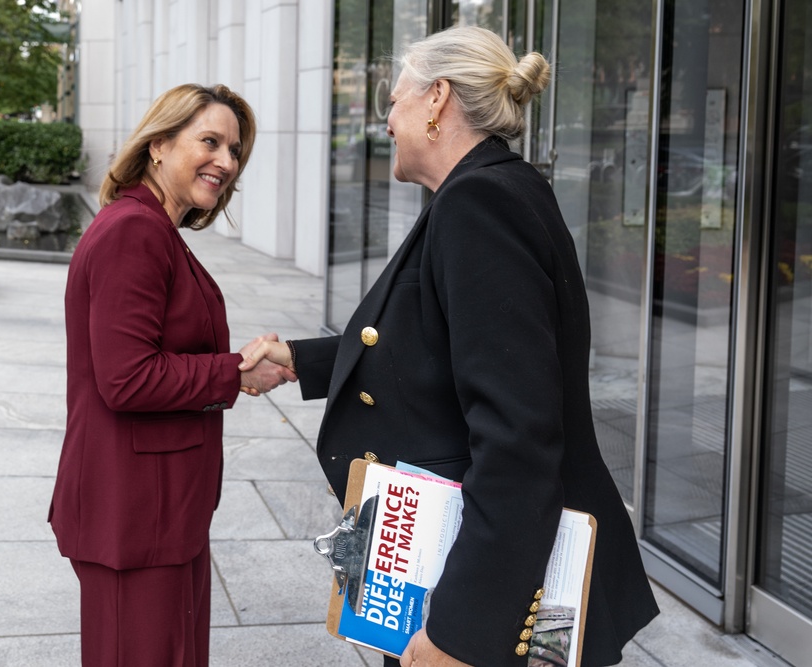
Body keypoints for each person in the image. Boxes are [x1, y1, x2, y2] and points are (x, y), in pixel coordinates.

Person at [239, 26, 659, 667]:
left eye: (396, 98)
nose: (387, 117)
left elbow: (518, 435)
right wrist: (302, 361)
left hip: (493, 590)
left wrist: (460, 634)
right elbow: (430, 340)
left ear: (437, 100)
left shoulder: (479, 203)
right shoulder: (486, 189)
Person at [48, 83, 296, 667]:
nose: (226, 162)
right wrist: (234, 373)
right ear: (158, 145)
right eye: (209, 141)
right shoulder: (133, 232)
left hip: (160, 512)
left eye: (234, 151)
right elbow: (126, 378)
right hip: (134, 516)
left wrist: (237, 372)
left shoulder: (155, 230)